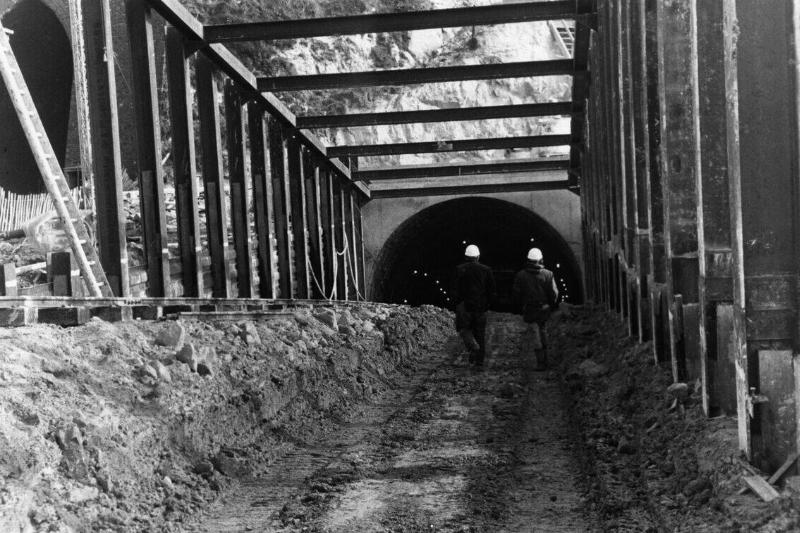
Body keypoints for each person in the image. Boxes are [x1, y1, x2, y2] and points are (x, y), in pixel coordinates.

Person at [512, 248, 559, 370]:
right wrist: (550, 305)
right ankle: (547, 360)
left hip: (530, 309)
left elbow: (516, 294)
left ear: (529, 259)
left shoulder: (521, 275)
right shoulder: (548, 274)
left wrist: (521, 306)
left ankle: (541, 363)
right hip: (544, 309)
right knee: (543, 331)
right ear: (540, 259)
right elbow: (554, 294)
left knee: (535, 334)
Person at [451, 244, 496, 368]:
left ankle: (473, 348)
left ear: (466, 256)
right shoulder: (486, 270)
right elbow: (491, 291)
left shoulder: (459, 269)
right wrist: (487, 305)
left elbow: (454, 289)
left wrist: (457, 303)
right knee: (480, 334)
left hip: (465, 306)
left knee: (465, 330)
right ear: (478, 256)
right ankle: (479, 362)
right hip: (480, 307)